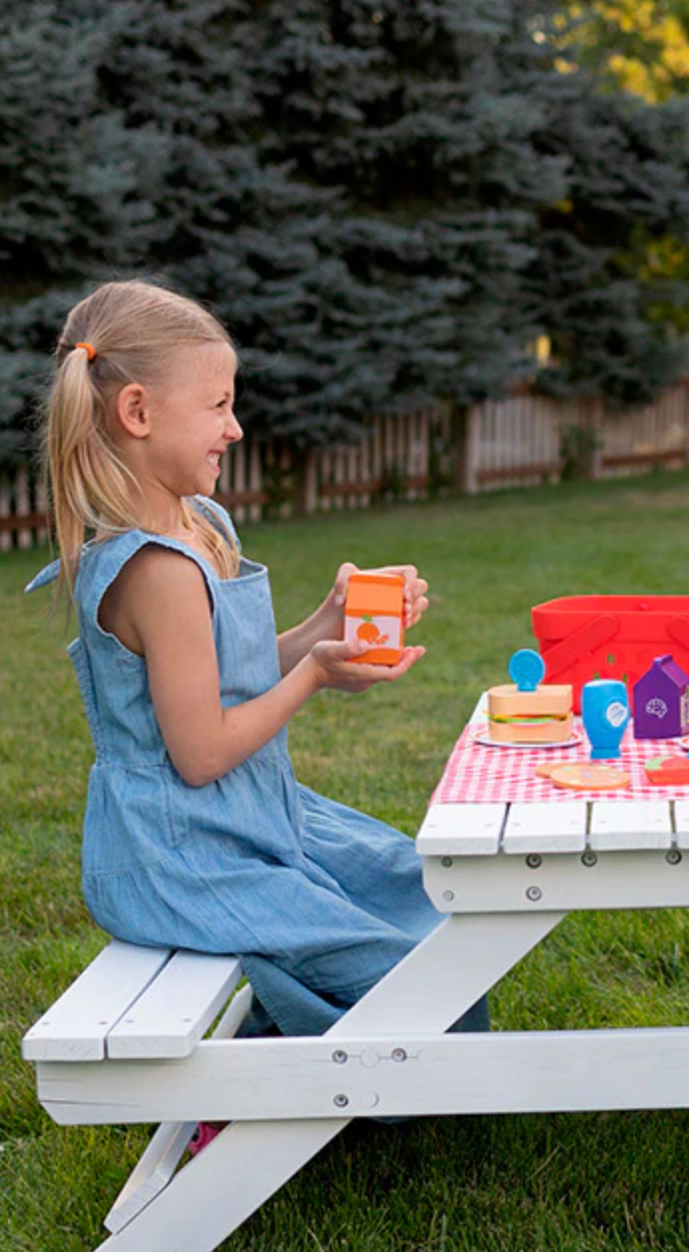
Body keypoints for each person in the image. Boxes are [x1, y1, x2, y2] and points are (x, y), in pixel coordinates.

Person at [27, 278, 487, 1049]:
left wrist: (323, 627)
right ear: (136, 412)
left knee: (422, 895)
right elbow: (201, 752)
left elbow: (224, 679)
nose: (235, 428)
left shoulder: (201, 524)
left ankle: (291, 1053)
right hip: (182, 856)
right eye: (217, 406)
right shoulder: (155, 571)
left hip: (250, 819)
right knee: (406, 970)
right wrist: (315, 675)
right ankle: (257, 1083)